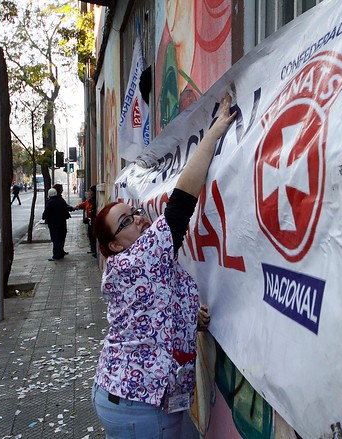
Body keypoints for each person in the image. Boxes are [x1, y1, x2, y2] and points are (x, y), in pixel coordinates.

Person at [90, 94, 235, 438]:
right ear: (113, 245)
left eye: (134, 213)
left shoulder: (136, 265)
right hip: (140, 406)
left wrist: (189, 317)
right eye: (126, 222)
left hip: (136, 401)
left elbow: (155, 310)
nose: (139, 221)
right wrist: (214, 133)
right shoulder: (136, 260)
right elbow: (182, 201)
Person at [42, 187, 73, 261]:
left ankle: (56, 255)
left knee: (55, 239)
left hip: (53, 224)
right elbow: (66, 208)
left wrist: (44, 217)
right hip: (62, 223)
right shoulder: (61, 200)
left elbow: (46, 212)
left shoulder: (50, 202)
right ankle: (60, 253)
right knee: (61, 238)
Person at [75, 185, 97, 257]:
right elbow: (82, 205)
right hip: (89, 221)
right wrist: (75, 207)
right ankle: (92, 249)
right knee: (90, 235)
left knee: (93, 235)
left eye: (90, 191)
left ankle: (94, 250)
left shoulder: (95, 201)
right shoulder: (88, 201)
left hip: (93, 221)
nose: (89, 193)